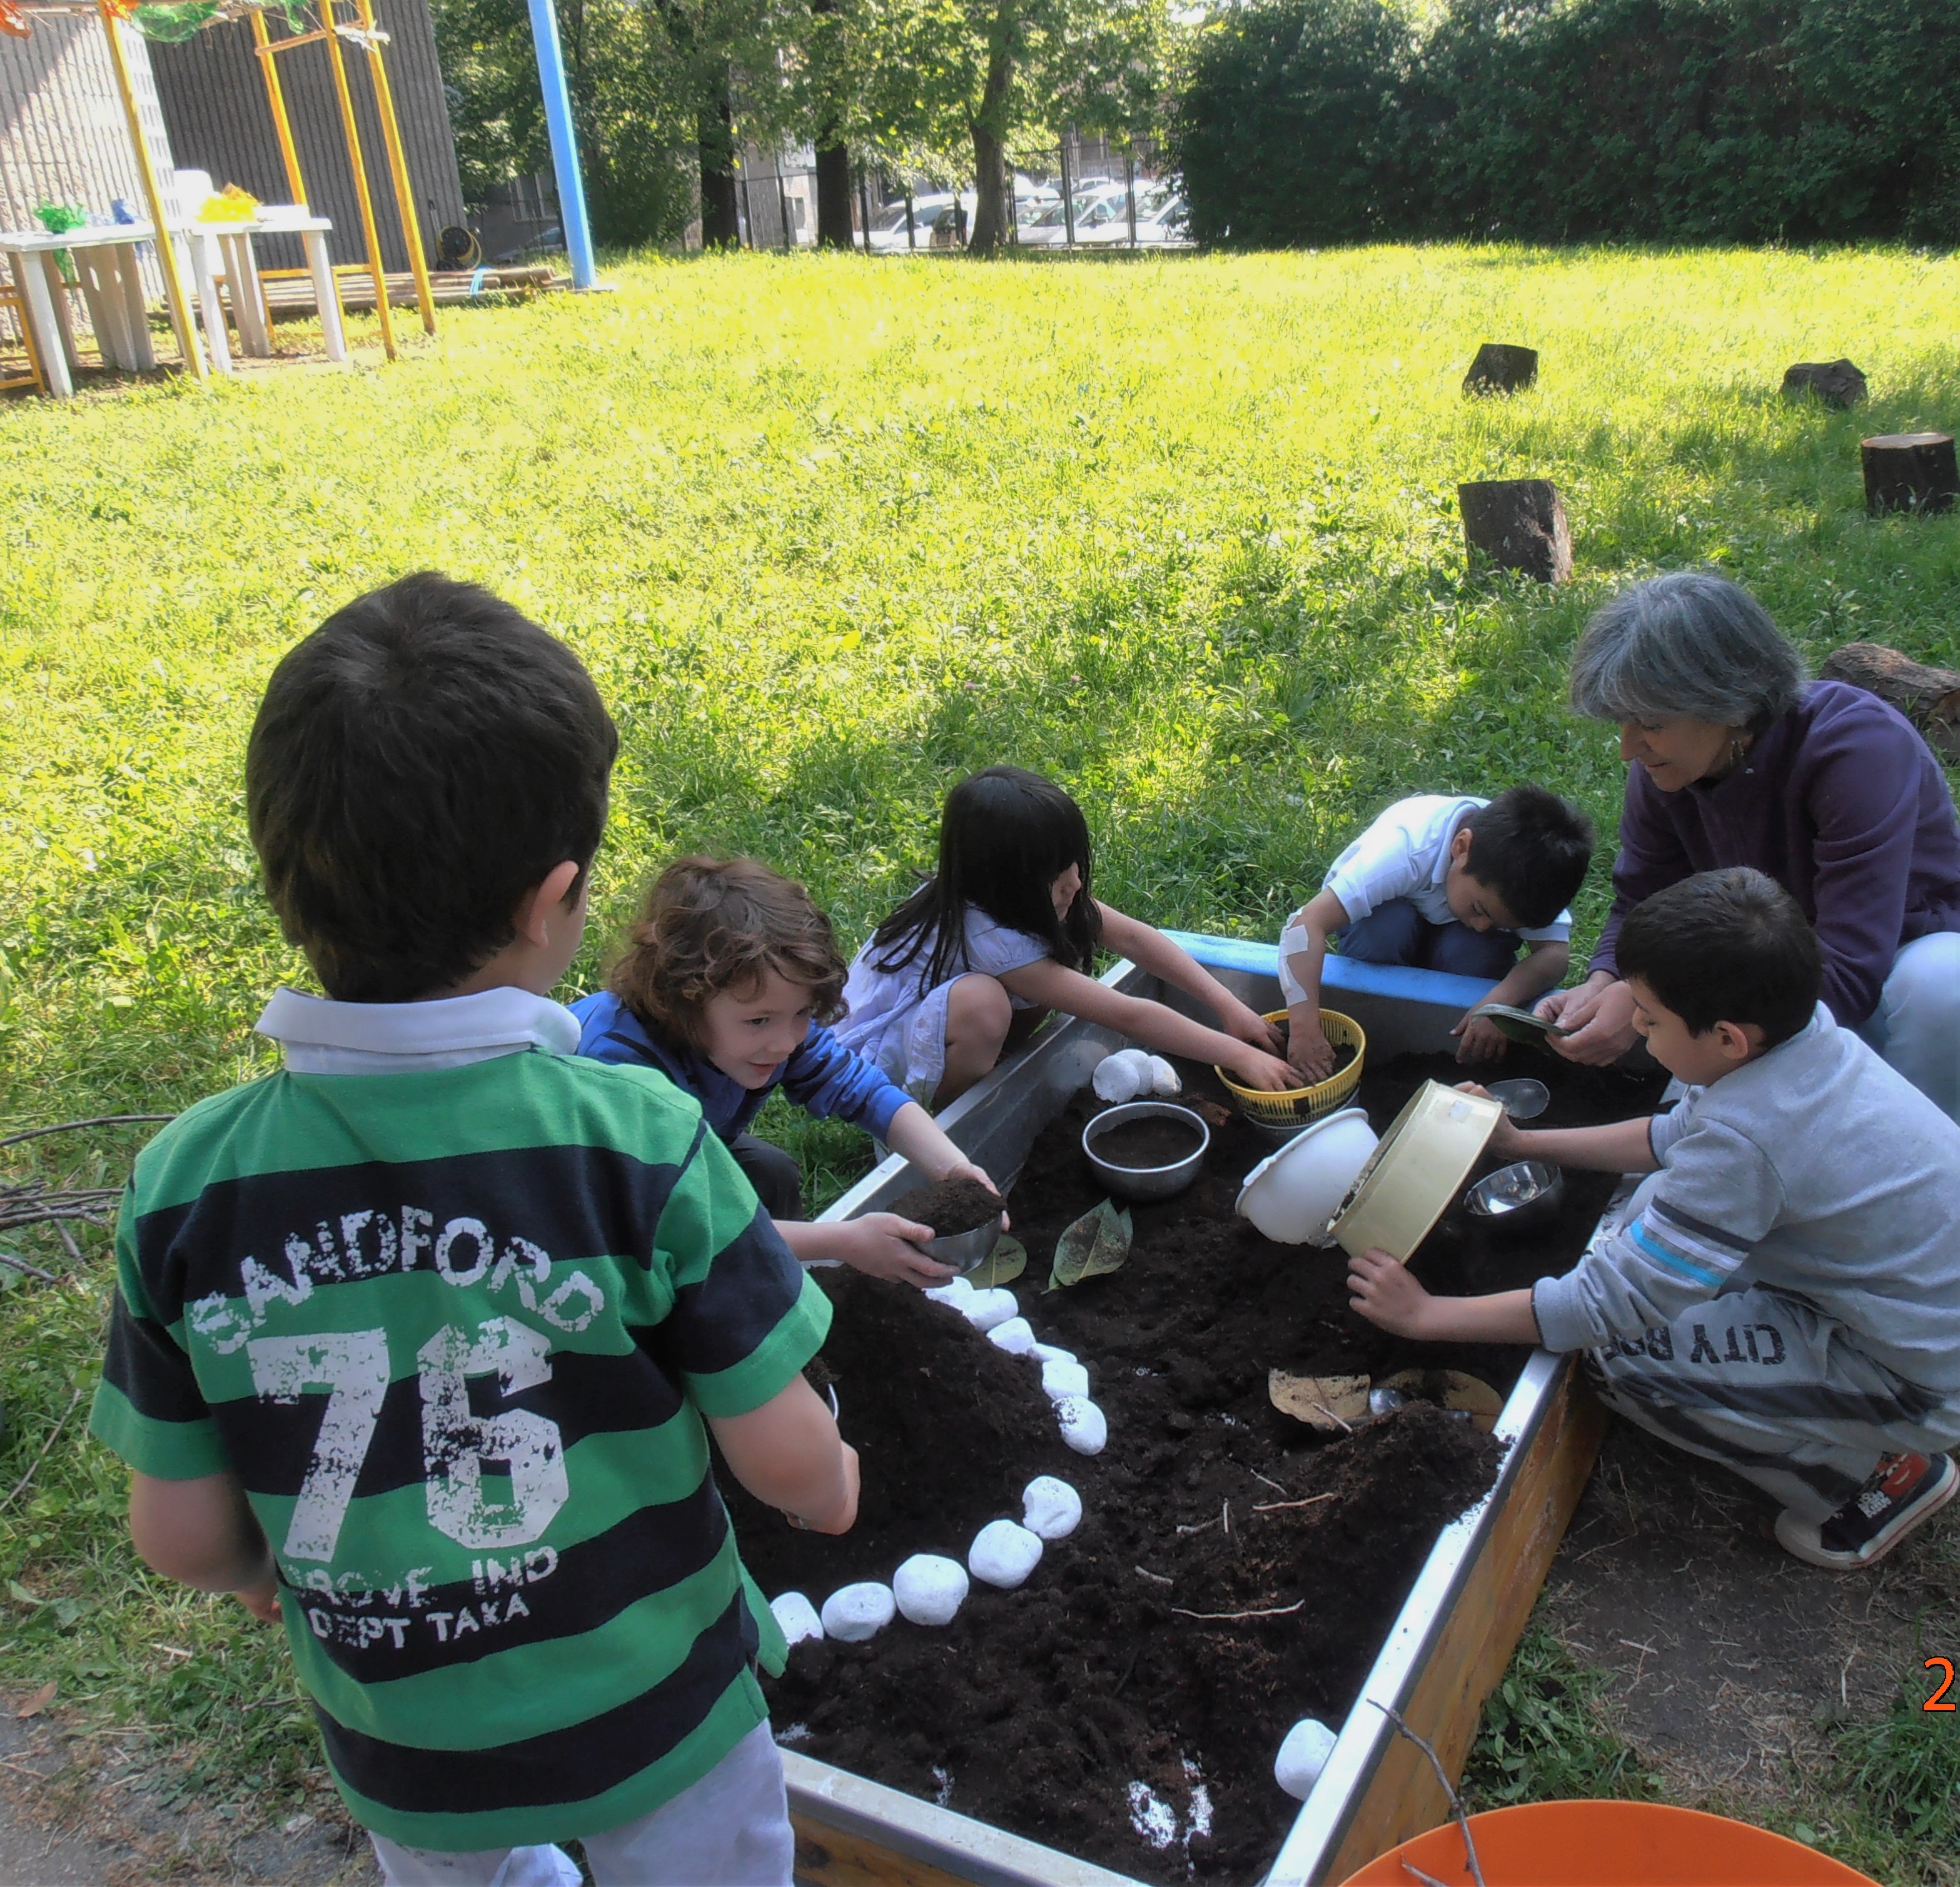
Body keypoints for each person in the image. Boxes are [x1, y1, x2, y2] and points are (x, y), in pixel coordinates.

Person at [88, 575, 856, 1887]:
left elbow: (180, 1538)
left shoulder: (184, 1187)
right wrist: (832, 1487)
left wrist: (255, 1567)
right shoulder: (633, 1141)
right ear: (553, 898)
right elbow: (789, 1463)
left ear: (284, 885)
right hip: (655, 1713)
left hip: (406, 1746)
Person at [1348, 868, 1960, 1572]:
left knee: (1623, 1360)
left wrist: (1427, 1317)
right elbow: (1667, 1139)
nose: (1634, 1029)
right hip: (1906, 1301)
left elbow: (1608, 1307)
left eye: (1648, 1020)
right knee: (1654, 1218)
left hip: (1913, 1371)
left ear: (1727, 1038)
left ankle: (1874, 1479)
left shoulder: (1750, 1140)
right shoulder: (1801, 1046)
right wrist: (1517, 1143)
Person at [1540, 570, 1960, 1121]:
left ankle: (1925, 1140)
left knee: (1942, 986)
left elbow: (1852, 968)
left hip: (1892, 971)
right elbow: (1641, 897)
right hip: (1761, 977)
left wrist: (1661, 1015)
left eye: (1651, 724)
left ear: (1730, 705)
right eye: (1623, 723)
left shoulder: (1857, 752)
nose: (1627, 749)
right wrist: (1608, 982)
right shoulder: (1669, 770)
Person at [572, 855, 1003, 1289]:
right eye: (759, 1021)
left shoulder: (771, 1024)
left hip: (680, 1156)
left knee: (770, 1175)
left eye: (802, 1013)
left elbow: (865, 1092)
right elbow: (672, 1227)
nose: (785, 1043)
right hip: (581, 1219)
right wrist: (843, 1242)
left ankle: (779, 1287)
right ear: (683, 999)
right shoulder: (619, 1073)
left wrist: (955, 1170)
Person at [836, 766, 1296, 1107]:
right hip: (877, 1058)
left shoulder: (1012, 896)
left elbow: (1135, 939)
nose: (1074, 883)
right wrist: (1238, 1055)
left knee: (1059, 961)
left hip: (942, 1010)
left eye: (1074, 862)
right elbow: (1128, 1016)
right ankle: (945, 1112)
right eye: (1054, 873)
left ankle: (992, 1063)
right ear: (1002, 880)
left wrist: (1230, 1008)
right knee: (987, 1001)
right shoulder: (989, 935)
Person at [1278, 787, 1594, 1077]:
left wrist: (1498, 1005)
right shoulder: (1405, 850)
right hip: (1390, 921)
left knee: (1474, 950)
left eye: (1500, 923)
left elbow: (1554, 954)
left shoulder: (1533, 876)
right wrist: (1305, 1030)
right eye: (1480, 910)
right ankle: (1382, 1016)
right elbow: (1304, 926)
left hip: (1455, 937)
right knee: (1385, 930)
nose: (1484, 926)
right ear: (1461, 847)